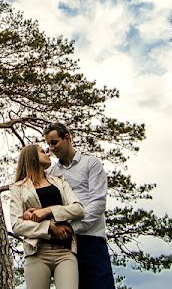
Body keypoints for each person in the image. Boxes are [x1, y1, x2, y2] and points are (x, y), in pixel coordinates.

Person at [44, 122, 116, 289]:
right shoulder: (51, 174)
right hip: (65, 246)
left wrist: (71, 229)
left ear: (67, 138)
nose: (51, 148)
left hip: (92, 240)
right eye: (48, 144)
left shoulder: (91, 163)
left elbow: (97, 203)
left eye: (54, 142)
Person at [9, 143, 85, 289]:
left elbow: (78, 209)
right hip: (37, 252)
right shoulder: (18, 188)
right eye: (42, 151)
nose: (48, 153)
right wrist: (49, 227)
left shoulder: (59, 181)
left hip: (65, 251)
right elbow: (16, 225)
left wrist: (48, 210)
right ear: (32, 158)